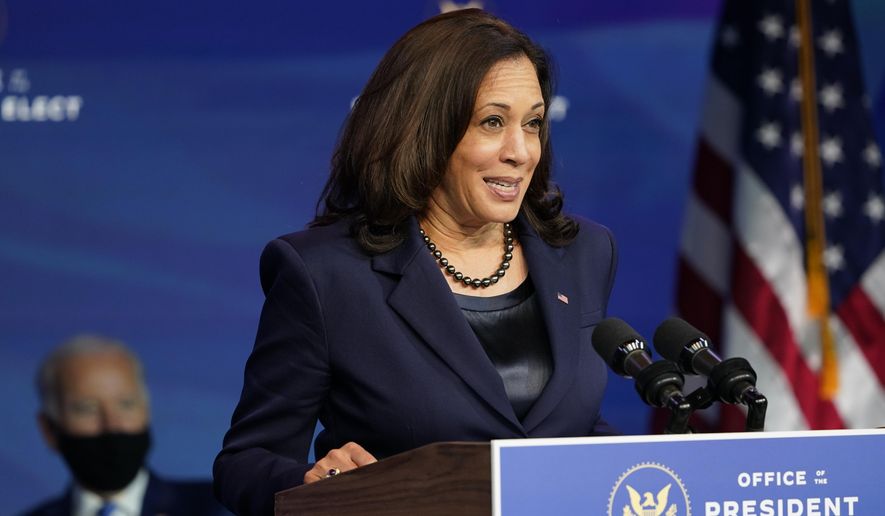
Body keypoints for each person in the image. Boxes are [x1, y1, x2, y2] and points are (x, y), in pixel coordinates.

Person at [214, 8, 618, 515]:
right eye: (492, 122)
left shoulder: (583, 253)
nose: (521, 151)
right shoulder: (325, 275)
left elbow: (569, 425)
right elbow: (246, 461)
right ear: (426, 129)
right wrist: (318, 482)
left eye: (533, 123)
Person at [23, 335, 227, 516]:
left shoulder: (223, 508)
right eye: (87, 409)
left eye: (126, 404)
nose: (113, 425)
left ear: (146, 411)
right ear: (48, 429)